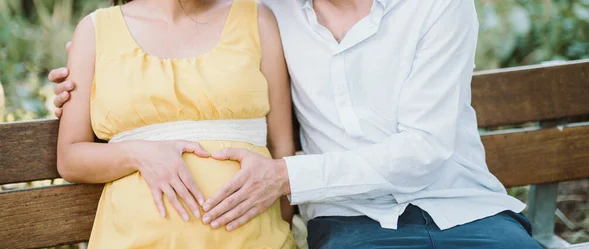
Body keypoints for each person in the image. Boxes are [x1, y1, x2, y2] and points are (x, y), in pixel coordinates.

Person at [51, 0, 544, 248]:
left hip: (465, 207)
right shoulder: (271, 11)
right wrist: (89, 77)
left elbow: (424, 149)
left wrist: (287, 177)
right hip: (356, 220)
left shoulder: (437, 7)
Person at [53, 0, 296, 248]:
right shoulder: (95, 30)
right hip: (135, 240)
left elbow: (282, 146)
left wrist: (275, 227)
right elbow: (70, 156)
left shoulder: (256, 18)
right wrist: (139, 154)